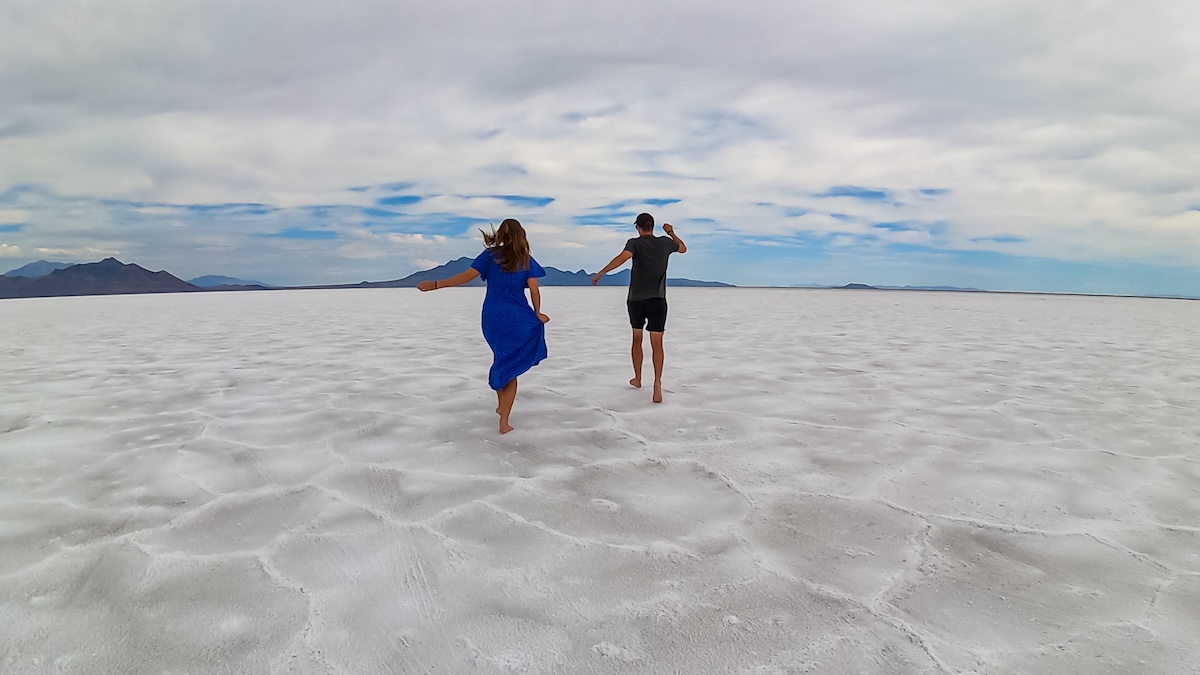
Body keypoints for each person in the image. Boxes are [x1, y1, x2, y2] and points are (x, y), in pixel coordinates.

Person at [419, 219, 550, 433]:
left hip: (493, 318)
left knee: (503, 359)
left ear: (500, 234)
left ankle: (502, 407)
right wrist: (537, 313)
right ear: (521, 235)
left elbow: (467, 276)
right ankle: (504, 419)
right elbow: (534, 290)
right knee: (510, 366)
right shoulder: (525, 259)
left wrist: (437, 284)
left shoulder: (490, 256)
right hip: (518, 318)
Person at [591, 212, 686, 403]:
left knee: (636, 338)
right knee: (657, 342)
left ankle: (638, 378)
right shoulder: (665, 243)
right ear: (652, 226)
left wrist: (601, 272)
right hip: (658, 300)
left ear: (638, 227)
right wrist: (671, 233)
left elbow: (622, 258)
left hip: (636, 300)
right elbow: (682, 248)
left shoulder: (634, 243)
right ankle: (657, 383)